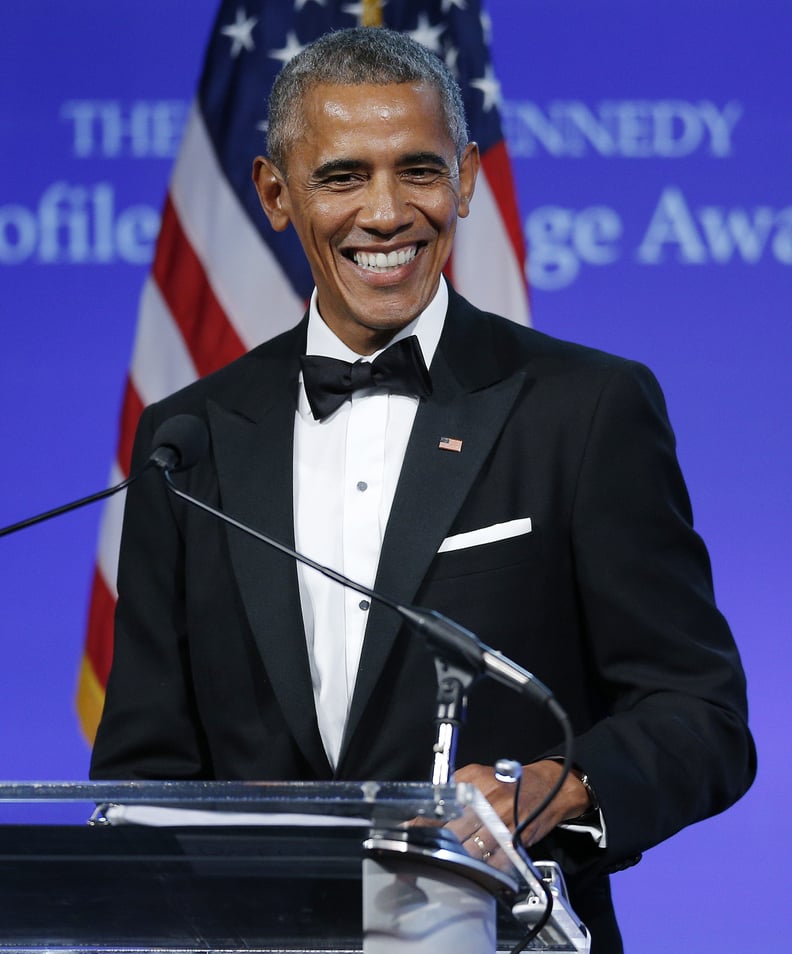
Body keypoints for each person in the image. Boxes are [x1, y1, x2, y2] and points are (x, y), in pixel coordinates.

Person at [90, 27, 755, 951]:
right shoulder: (189, 437)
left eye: (418, 170)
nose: (387, 212)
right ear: (275, 195)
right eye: (342, 177)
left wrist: (559, 786)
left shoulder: (584, 408)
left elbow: (700, 716)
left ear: (469, 179)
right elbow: (142, 772)